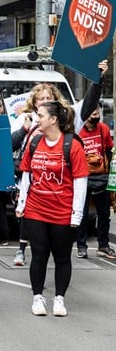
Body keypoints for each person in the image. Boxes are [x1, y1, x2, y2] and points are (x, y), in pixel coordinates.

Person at [11, 60, 108, 266]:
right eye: (41, 99)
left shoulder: (68, 116)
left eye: (49, 98)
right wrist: (25, 130)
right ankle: (26, 259)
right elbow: (12, 145)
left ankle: (59, 289)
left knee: (60, 253)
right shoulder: (26, 119)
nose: (45, 101)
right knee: (39, 252)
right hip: (36, 191)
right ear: (34, 102)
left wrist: (98, 79)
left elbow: (89, 103)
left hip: (60, 195)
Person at [15, 101, 88, 316]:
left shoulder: (72, 145)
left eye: (41, 115)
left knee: (62, 256)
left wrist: (77, 213)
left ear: (54, 119)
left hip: (63, 211)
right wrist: (22, 204)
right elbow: (27, 174)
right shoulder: (35, 142)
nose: (37, 119)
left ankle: (59, 299)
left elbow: (80, 181)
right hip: (36, 209)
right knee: (38, 255)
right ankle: (38, 298)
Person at [76, 105, 114, 259]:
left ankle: (103, 245)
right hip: (83, 177)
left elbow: (108, 151)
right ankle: (81, 246)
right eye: (92, 111)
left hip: (101, 177)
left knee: (104, 213)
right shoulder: (78, 131)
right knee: (82, 214)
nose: (96, 113)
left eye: (97, 111)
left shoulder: (103, 129)